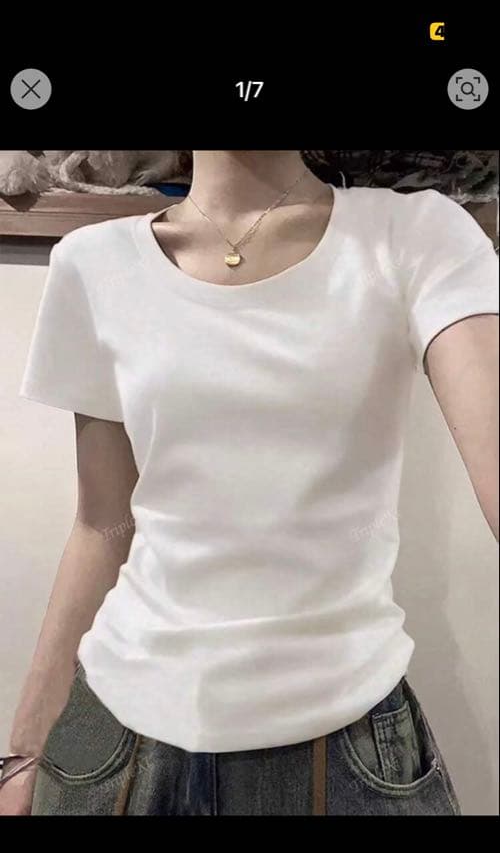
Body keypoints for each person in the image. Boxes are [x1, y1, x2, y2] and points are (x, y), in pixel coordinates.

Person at [0, 150, 498, 816]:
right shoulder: (93, 262)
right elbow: (102, 524)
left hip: (341, 741)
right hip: (109, 744)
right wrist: (25, 748)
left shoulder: (415, 234)